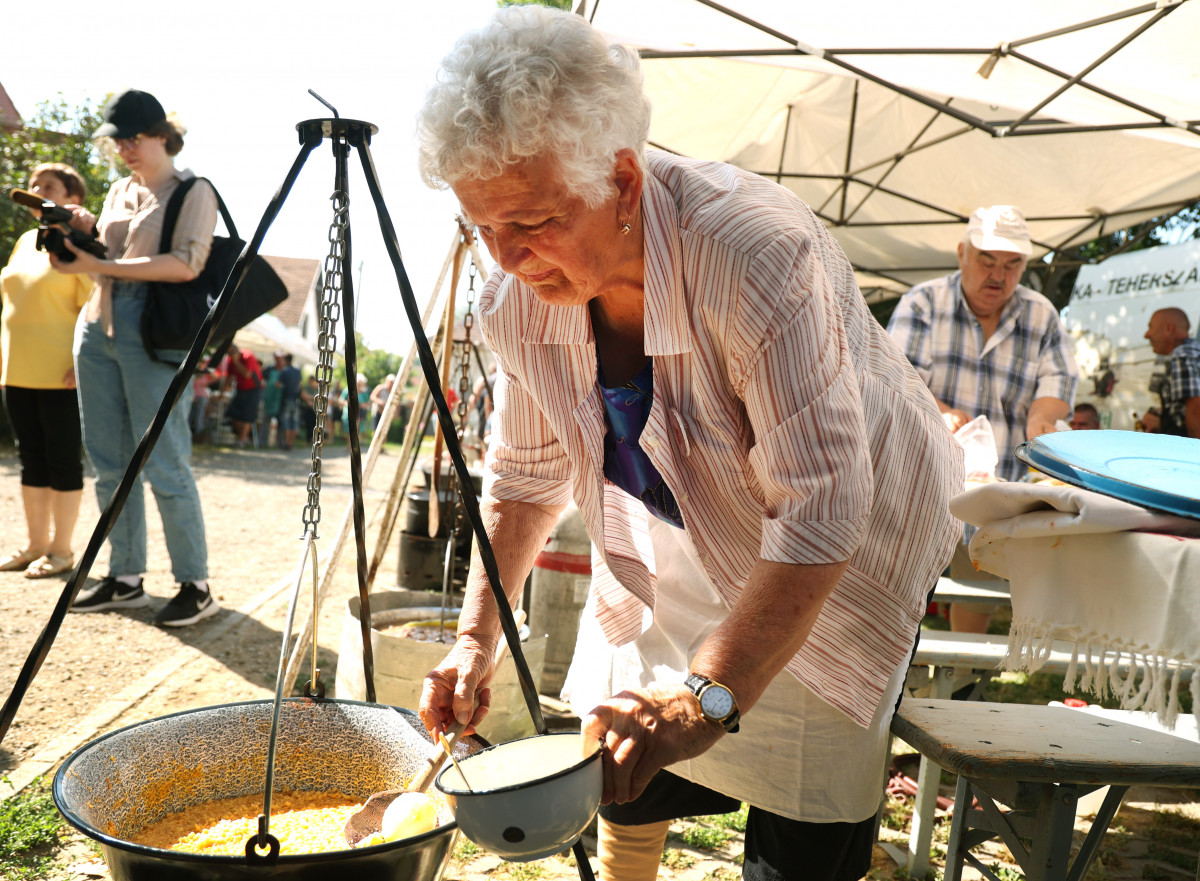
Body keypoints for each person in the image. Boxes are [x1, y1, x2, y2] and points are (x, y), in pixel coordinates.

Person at [413, 9, 962, 881]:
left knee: (803, 774)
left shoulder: (752, 251)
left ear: (624, 184)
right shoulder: (515, 302)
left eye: (533, 222)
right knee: (627, 736)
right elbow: (525, 476)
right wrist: (476, 635)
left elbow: (822, 510)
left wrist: (707, 695)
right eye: (481, 227)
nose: (508, 258)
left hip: (848, 536)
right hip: (690, 511)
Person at [53, 89, 219, 627]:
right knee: (108, 463)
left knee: (166, 461)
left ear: (162, 135)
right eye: (117, 139)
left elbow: (187, 264)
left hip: (151, 330)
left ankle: (195, 584)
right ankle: (125, 578)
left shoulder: (193, 190)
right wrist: (80, 237)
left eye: (133, 137)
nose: (123, 148)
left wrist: (97, 266)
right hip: (97, 326)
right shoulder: (120, 190)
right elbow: (105, 255)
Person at [887, 204, 1078, 633]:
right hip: (925, 483)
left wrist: (1042, 419)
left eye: (1013, 265)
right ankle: (895, 678)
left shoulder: (1041, 314)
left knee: (978, 594)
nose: (999, 276)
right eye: (987, 261)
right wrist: (941, 413)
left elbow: (1059, 380)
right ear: (961, 254)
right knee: (901, 590)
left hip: (1000, 493)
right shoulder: (922, 303)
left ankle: (956, 685)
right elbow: (896, 379)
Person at [0, 163, 93, 579]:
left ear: (72, 197)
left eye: (48, 186)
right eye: (34, 185)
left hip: (62, 371)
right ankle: (35, 544)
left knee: (62, 460)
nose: (36, 191)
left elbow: (92, 306)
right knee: (30, 459)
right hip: (17, 368)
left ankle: (61, 551)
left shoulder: (78, 242)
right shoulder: (23, 241)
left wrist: (82, 362)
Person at [1140, 308, 1200, 439]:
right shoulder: (1192, 352)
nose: (1147, 335)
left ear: (1169, 329)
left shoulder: (1182, 357)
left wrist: (1194, 453)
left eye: (1151, 327)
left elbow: (1195, 409)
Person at [221, 342, 263, 449]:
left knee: (247, 416)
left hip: (253, 390)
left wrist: (236, 362)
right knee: (233, 414)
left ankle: (242, 440)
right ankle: (242, 437)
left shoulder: (247, 356)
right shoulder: (231, 361)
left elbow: (247, 374)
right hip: (240, 390)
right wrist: (222, 393)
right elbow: (229, 377)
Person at [275, 352, 303, 449]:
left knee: (286, 421)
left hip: (287, 398)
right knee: (294, 422)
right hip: (296, 399)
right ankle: (291, 443)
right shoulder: (297, 371)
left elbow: (278, 385)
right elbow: (299, 385)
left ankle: (286, 443)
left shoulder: (284, 371)